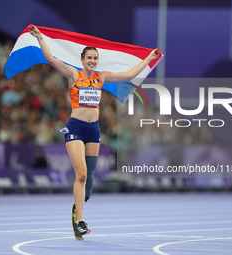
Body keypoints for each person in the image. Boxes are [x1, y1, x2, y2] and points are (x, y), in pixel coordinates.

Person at [28, 25, 160, 237]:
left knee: (89, 180)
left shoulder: (103, 77)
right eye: (89, 58)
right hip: (76, 129)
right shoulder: (73, 74)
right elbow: (52, 59)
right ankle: (79, 219)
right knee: (81, 174)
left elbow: (129, 74)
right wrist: (40, 38)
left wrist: (148, 60)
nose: (92, 61)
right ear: (82, 60)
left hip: (94, 131)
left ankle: (80, 204)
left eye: (95, 58)